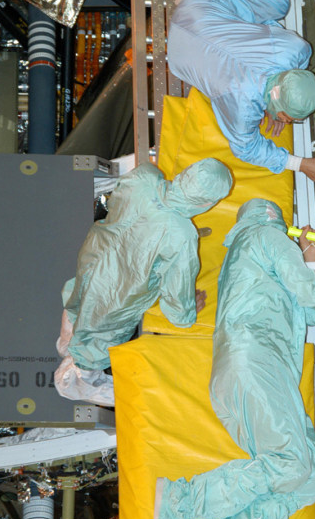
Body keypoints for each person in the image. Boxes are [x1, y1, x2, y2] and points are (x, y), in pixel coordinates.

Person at [153, 198, 315, 519]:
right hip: (255, 364)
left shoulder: (243, 255)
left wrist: (309, 263)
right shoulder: (266, 236)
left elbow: (308, 313)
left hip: (244, 374)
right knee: (290, 462)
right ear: (274, 220)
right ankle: (183, 501)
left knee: (308, 478)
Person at [54, 158, 233, 406]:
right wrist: (187, 311)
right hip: (116, 295)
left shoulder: (145, 177)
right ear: (206, 203)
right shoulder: (180, 236)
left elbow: (128, 192)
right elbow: (177, 306)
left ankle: (68, 340)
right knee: (97, 335)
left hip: (93, 259)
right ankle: (79, 376)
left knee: (79, 298)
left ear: (185, 173)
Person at [167, 0, 315, 183]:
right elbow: (246, 149)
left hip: (201, 13)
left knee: (277, 3)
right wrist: (300, 164)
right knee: (277, 4)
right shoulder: (244, 107)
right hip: (180, 48)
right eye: (289, 119)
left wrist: (275, 104)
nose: (287, 123)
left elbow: (264, 27)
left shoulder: (296, 51)